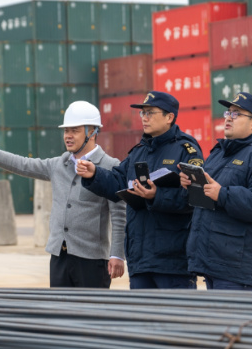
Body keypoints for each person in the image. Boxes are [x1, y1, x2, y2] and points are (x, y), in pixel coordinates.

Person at [0, 101, 126, 288]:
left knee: (91, 315)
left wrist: (117, 254)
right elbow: (23, 164)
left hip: (92, 259)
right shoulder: (58, 165)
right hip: (59, 257)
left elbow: (119, 215)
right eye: (66, 131)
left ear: (92, 132)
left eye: (74, 130)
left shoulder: (110, 166)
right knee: (57, 314)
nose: (68, 136)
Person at [76, 91, 203, 289]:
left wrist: (157, 196)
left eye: (150, 113)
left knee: (175, 318)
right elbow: (117, 181)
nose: (144, 118)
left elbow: (197, 198)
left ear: (169, 117)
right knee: (142, 318)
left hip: (173, 262)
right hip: (140, 260)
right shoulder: (139, 150)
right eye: (142, 113)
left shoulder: (186, 151)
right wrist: (94, 174)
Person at [179, 92, 252, 291]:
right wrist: (190, 186)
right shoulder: (219, 153)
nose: (227, 117)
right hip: (213, 263)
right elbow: (206, 199)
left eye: (236, 114)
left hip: (238, 269)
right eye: (228, 112)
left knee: (236, 322)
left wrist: (222, 194)